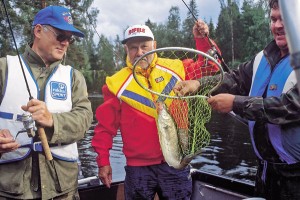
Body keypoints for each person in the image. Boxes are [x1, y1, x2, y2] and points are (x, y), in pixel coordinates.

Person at [174, 0, 300, 199]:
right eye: (273, 19)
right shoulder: (263, 58)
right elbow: (235, 78)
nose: (277, 26)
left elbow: (291, 106)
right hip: (265, 172)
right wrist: (198, 84)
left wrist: (235, 103)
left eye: (283, 19)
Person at [91, 20, 221, 199]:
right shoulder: (115, 84)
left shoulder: (178, 68)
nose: (140, 52)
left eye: (145, 46)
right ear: (126, 50)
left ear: (155, 45)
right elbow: (105, 129)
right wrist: (103, 161)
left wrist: (202, 40)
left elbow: (210, 68)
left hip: (175, 164)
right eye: (133, 47)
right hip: (138, 169)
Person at [0, 5, 93, 199]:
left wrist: (53, 121)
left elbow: (84, 120)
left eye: (70, 39)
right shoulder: (3, 68)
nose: (65, 43)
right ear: (38, 31)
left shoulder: (74, 77)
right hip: (10, 189)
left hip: (62, 189)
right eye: (60, 36)